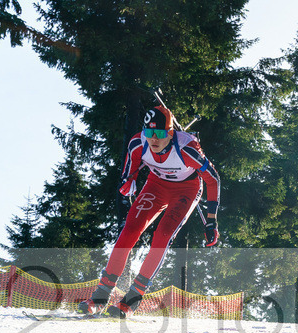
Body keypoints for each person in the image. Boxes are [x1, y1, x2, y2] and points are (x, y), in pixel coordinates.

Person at [79, 104, 220, 318]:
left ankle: (131, 301)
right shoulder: (138, 143)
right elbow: (130, 170)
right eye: (149, 132)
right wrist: (129, 182)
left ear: (170, 133)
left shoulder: (187, 148)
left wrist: (211, 221)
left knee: (162, 236)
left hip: (186, 190)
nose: (153, 139)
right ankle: (100, 297)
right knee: (129, 231)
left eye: (159, 133)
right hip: (156, 186)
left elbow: (213, 179)